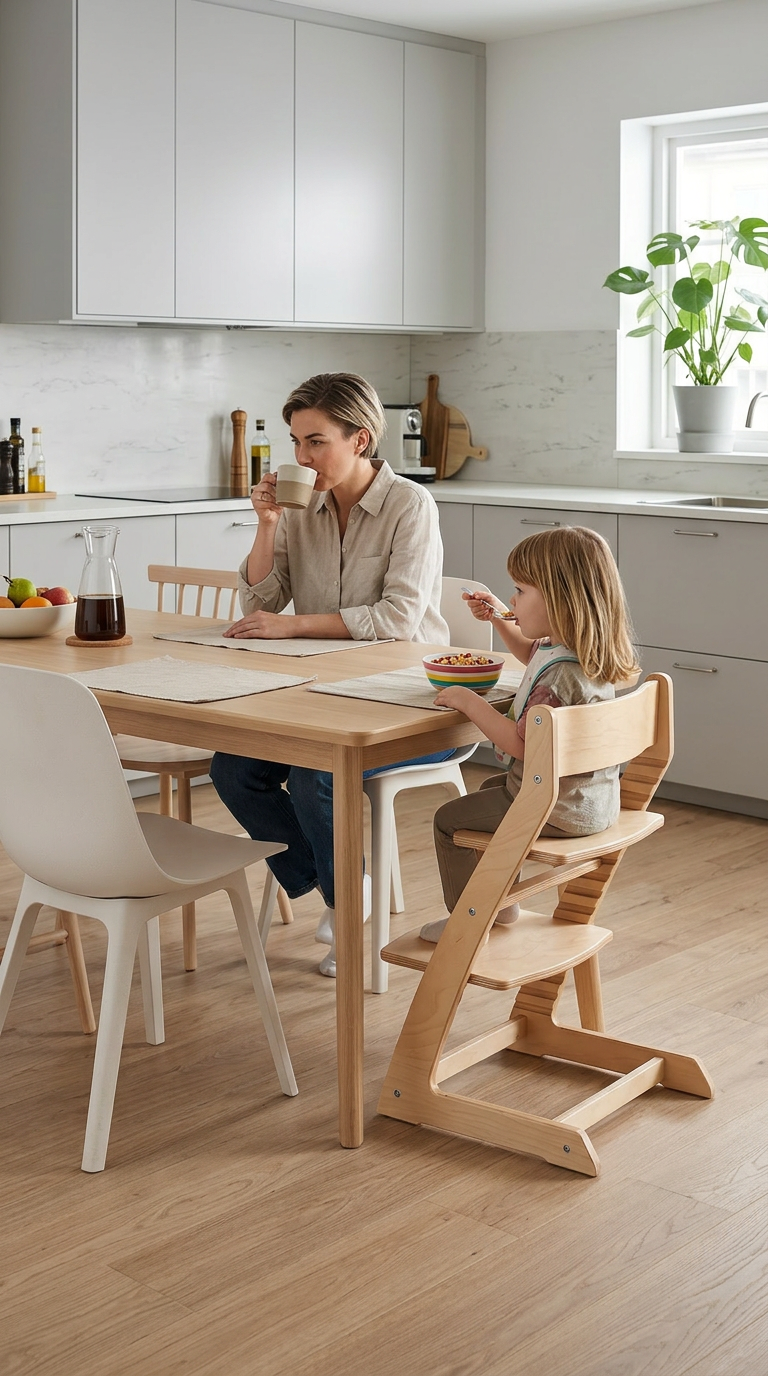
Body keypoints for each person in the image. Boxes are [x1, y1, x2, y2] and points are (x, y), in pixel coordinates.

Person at [210, 372, 452, 977]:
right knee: (233, 768)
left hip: (413, 700)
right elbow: (261, 602)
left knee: (315, 768)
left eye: (316, 441)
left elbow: (398, 619)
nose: (301, 457)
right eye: (296, 442)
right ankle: (343, 887)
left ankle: (349, 915)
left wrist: (294, 628)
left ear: (360, 439)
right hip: (325, 689)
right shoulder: (300, 508)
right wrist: (266, 525)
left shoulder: (410, 506)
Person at [420, 525, 639, 943]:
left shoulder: (558, 681)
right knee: (490, 786)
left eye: (520, 590)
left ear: (558, 598)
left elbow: (520, 743)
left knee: (449, 821)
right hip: (594, 798)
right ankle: (501, 905)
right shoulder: (577, 653)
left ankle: (469, 923)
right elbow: (530, 653)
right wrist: (503, 615)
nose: (514, 599)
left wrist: (470, 703)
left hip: (558, 808)